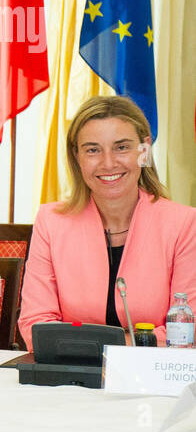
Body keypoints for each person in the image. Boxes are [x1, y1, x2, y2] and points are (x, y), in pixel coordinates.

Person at [19, 96, 196, 347]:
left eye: (121, 147)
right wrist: (135, 341)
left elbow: (187, 329)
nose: (108, 163)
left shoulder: (185, 224)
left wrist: (96, 345)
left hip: (155, 376)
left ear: (144, 151)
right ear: (77, 157)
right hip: (71, 378)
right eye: (93, 150)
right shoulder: (51, 222)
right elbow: (35, 326)